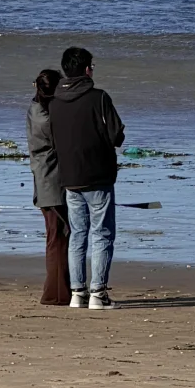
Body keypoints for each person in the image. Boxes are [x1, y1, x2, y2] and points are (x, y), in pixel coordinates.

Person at [49, 46, 126, 310]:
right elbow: (117, 136)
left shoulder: (55, 101)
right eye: (91, 66)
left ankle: (78, 293)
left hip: (70, 176)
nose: (93, 70)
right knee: (102, 234)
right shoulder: (99, 97)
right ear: (85, 69)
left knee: (78, 234)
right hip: (97, 176)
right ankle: (98, 293)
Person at [25, 68, 70, 306]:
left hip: (47, 183)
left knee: (59, 237)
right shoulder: (46, 118)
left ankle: (60, 290)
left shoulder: (37, 109)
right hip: (50, 184)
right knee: (58, 238)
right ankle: (56, 294)